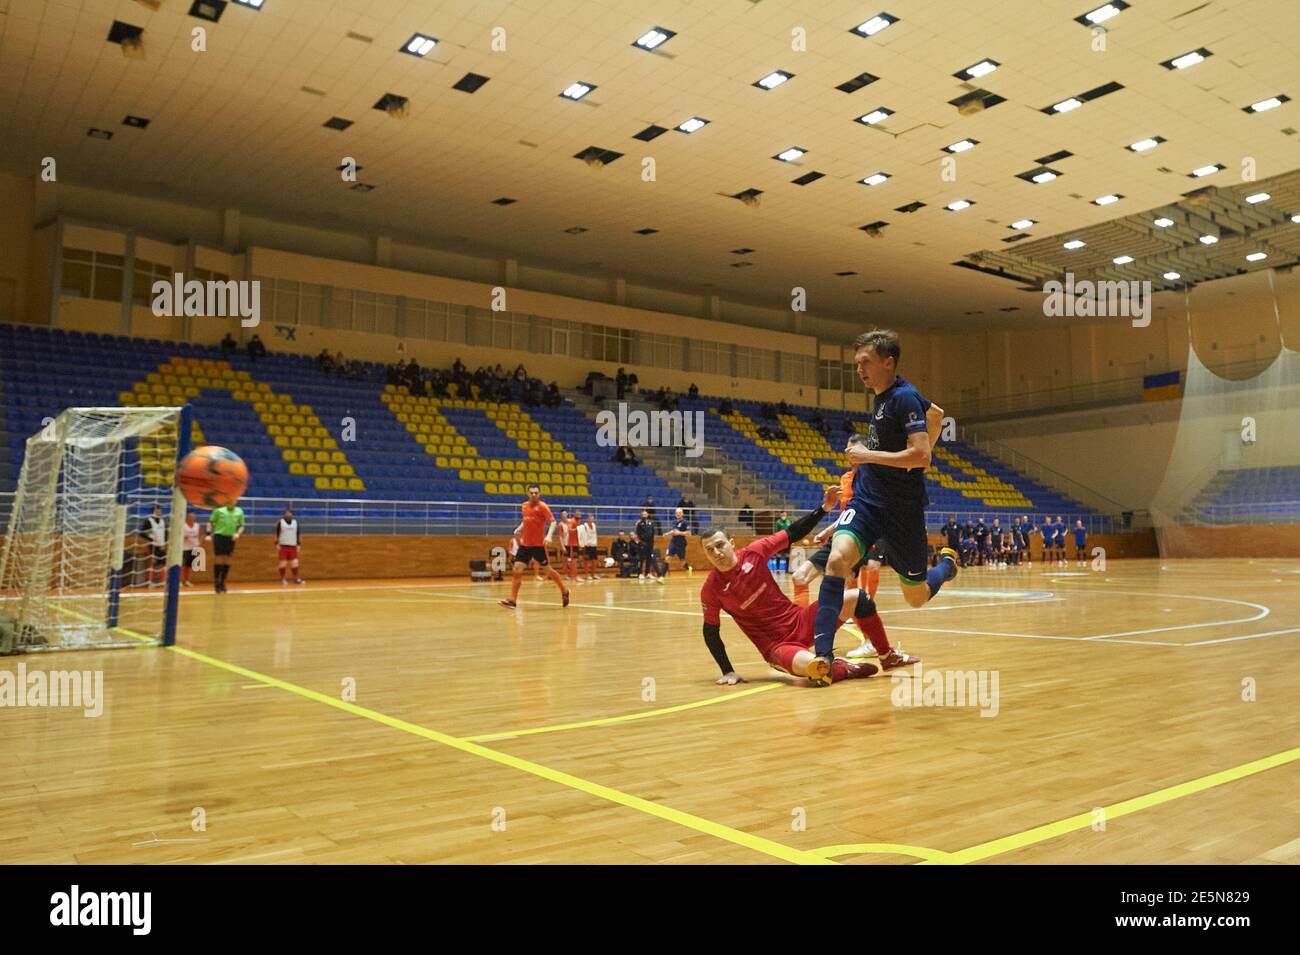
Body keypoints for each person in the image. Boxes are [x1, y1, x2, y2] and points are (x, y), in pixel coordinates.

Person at [810, 328, 958, 677]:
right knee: (836, 560)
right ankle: (822, 655)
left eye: (866, 362)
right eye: (856, 363)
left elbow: (922, 456)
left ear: (888, 362)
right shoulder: (885, 397)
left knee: (916, 596)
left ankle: (947, 568)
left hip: (902, 511)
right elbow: (935, 414)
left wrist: (867, 455)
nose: (859, 370)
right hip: (867, 501)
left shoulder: (904, 397)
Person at [700, 486, 890, 687]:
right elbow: (710, 633)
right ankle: (845, 668)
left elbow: (793, 532)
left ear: (731, 544)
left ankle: (888, 654)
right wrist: (727, 671)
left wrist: (824, 509)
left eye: (720, 545)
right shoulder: (711, 590)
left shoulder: (754, 553)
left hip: (800, 620)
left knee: (857, 597)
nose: (717, 553)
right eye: (709, 550)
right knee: (817, 669)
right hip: (779, 647)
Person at [500, 485, 570, 609]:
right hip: (525, 545)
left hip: (538, 546)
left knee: (548, 570)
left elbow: (553, 522)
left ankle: (564, 590)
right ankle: (513, 600)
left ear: (539, 493)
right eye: (531, 493)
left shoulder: (543, 507)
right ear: (528, 493)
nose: (533, 495)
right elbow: (526, 520)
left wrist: (548, 536)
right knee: (517, 570)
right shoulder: (524, 506)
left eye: (536, 493)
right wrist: (519, 528)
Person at [206, 501, 245, 594]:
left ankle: (223, 582)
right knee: (219, 558)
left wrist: (237, 533)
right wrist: (208, 534)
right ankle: (216, 583)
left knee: (227, 559)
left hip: (230, 537)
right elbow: (210, 522)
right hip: (219, 536)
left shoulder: (239, 511)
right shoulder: (219, 510)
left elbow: (242, 525)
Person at [138, 503, 168, 588]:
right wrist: (150, 540)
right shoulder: (149, 521)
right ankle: (150, 582)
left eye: (160, 510)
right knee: (152, 564)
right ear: (154, 511)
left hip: (161, 546)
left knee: (162, 563)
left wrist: (165, 543)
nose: (159, 512)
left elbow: (166, 533)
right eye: (157, 510)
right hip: (153, 545)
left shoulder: (162, 521)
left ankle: (162, 581)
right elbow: (141, 533)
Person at [275, 507, 304, 585]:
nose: (288, 514)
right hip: (283, 545)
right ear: (284, 514)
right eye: (287, 513)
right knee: (283, 563)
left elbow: (298, 533)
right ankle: (282, 578)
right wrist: (276, 543)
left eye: (290, 513)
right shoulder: (280, 522)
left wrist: (299, 544)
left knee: (295, 562)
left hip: (293, 545)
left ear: (292, 514)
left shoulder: (295, 522)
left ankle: (296, 578)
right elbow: (276, 533)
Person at [634, 509, 661, 583]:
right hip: (642, 544)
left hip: (650, 544)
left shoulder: (651, 523)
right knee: (641, 559)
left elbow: (652, 533)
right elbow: (638, 534)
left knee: (649, 559)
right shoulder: (639, 524)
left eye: (645, 514)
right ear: (641, 515)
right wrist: (641, 542)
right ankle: (640, 573)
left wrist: (652, 542)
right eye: (643, 514)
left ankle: (647, 573)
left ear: (648, 515)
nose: (644, 515)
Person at [181, 510, 203, 588]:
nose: (192, 518)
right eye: (190, 516)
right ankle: (181, 581)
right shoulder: (183, 526)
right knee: (184, 565)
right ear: (187, 517)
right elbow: (180, 536)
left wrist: (199, 543)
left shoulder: (197, 525)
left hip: (194, 548)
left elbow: (201, 534)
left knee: (190, 566)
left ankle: (186, 580)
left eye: (193, 516)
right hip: (185, 548)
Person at [666, 507, 691, 572]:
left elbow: (689, 533)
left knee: (682, 560)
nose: (678, 514)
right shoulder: (674, 522)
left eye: (679, 513)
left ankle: (688, 568)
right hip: (673, 542)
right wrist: (667, 533)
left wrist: (679, 533)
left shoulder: (685, 522)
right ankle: (661, 575)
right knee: (668, 557)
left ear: (682, 514)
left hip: (681, 543)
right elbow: (674, 531)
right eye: (677, 513)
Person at [578, 513, 599, 581]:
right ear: (587, 519)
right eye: (590, 518)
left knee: (594, 561)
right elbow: (581, 535)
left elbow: (595, 535)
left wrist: (596, 542)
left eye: (592, 518)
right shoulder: (585, 525)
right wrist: (582, 544)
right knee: (586, 561)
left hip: (593, 545)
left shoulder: (594, 525)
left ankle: (593, 575)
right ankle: (586, 575)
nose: (591, 519)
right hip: (587, 546)